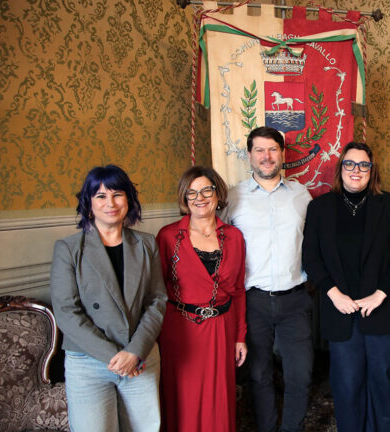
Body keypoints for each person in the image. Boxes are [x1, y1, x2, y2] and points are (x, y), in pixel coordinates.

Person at [302, 141, 390, 431]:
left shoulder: (389, 204)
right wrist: (333, 294)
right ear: (341, 168)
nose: (356, 170)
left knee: (381, 379)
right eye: (350, 163)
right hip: (340, 308)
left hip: (382, 307)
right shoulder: (320, 207)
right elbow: (311, 257)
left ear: (372, 171)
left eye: (364, 165)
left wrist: (380, 294)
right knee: (347, 382)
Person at [50, 165, 167, 432]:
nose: (110, 203)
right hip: (88, 362)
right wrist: (116, 357)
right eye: (101, 196)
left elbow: (157, 300)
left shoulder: (147, 244)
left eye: (117, 194)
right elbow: (67, 311)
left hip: (140, 356)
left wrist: (134, 352)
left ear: (129, 199)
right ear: (89, 204)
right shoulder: (68, 249)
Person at [222, 126, 313, 432]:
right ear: (249, 155)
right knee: (258, 375)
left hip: (295, 299)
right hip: (253, 302)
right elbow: (216, 241)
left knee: (300, 375)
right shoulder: (233, 196)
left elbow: (315, 242)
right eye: (259, 150)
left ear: (282, 154)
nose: (266, 156)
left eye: (273, 149)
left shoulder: (302, 195)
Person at [156, 165, 247, 432]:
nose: (200, 198)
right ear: (184, 198)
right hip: (180, 329)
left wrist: (240, 336)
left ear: (218, 194)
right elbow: (156, 290)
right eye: (192, 192)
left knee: (218, 399)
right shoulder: (168, 236)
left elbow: (238, 290)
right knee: (183, 397)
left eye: (207, 190)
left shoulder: (234, 237)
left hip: (221, 328)